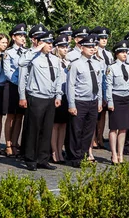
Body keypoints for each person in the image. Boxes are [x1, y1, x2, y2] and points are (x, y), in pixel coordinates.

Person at [19, 31, 62, 171]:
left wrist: (58, 95)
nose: (50, 45)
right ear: (41, 43)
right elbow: (21, 62)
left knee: (46, 130)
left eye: (51, 43)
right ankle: (30, 158)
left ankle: (43, 158)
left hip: (50, 98)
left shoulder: (55, 59)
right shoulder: (33, 57)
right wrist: (36, 48)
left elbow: (58, 79)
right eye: (47, 43)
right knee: (33, 129)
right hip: (37, 97)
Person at [65, 35, 103, 168]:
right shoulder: (75, 64)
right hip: (79, 100)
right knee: (76, 130)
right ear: (82, 48)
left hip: (92, 101)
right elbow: (70, 85)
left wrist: (99, 101)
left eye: (94, 47)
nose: (92, 49)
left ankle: (83, 154)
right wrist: (71, 104)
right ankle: (73, 156)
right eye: (89, 47)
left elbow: (99, 84)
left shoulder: (97, 64)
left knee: (89, 130)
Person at [105, 40, 129, 165]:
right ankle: (113, 154)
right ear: (116, 53)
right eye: (122, 52)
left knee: (123, 128)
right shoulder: (111, 67)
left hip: (126, 98)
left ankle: (121, 154)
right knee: (114, 128)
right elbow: (108, 86)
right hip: (116, 97)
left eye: (126, 52)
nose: (124, 54)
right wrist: (110, 101)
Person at [3, 23, 28, 157]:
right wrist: (20, 82)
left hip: (23, 88)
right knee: (11, 116)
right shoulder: (9, 52)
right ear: (13, 37)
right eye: (20, 35)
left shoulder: (27, 52)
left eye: (24, 35)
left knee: (20, 117)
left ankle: (14, 142)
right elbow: (8, 72)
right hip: (13, 86)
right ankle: (8, 144)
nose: (23, 38)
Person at [92, 26, 112, 151]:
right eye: (101, 38)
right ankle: (93, 137)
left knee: (103, 113)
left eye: (105, 37)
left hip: (106, 85)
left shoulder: (109, 54)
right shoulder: (94, 51)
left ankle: (100, 136)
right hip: (96, 86)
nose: (104, 40)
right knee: (95, 114)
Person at [51, 34, 70, 163]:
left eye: (66, 47)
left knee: (63, 125)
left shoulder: (68, 63)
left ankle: (60, 149)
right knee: (55, 125)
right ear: (56, 47)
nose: (65, 49)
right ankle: (54, 151)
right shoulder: (52, 61)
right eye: (62, 47)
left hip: (66, 95)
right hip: (55, 95)